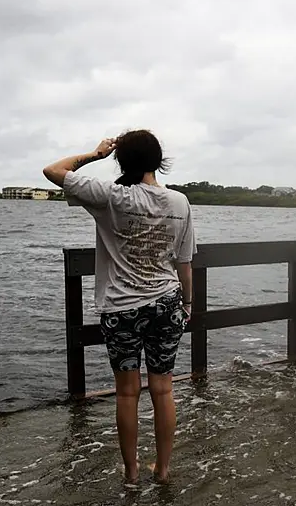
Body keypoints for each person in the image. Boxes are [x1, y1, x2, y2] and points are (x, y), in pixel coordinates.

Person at [43, 130, 196, 484]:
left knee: (127, 393)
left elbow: (53, 170)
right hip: (168, 303)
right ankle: (163, 470)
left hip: (122, 308)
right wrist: (187, 304)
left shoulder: (111, 197)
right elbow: (184, 263)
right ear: (158, 161)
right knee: (164, 389)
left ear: (122, 161)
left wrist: (96, 154)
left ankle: (130, 473)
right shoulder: (179, 203)